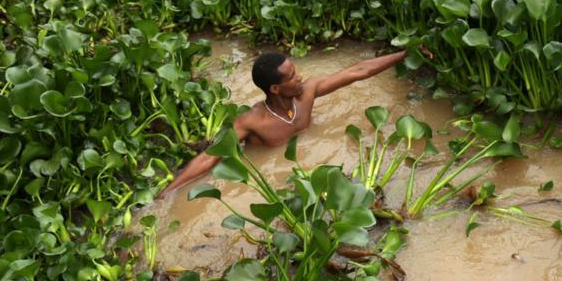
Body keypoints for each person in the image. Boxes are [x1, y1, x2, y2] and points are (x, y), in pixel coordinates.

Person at [158, 45, 430, 198]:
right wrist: (170, 193)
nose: (299, 78)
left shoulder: (308, 92)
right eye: (291, 77)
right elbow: (209, 158)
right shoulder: (252, 121)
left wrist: (405, 53)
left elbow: (357, 71)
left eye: (296, 71)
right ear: (274, 89)